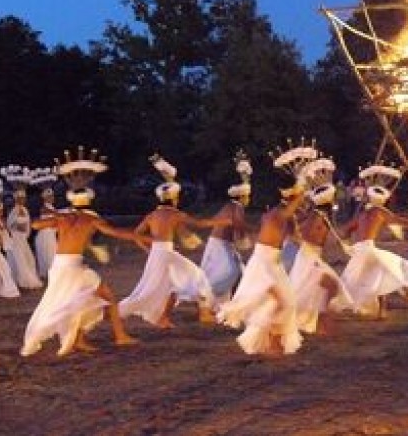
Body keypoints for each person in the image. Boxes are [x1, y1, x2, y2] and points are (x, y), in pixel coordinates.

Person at [21, 148, 150, 357]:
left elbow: (35, 225)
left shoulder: (64, 218)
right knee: (104, 298)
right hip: (73, 268)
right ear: (89, 200)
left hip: (60, 266)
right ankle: (119, 336)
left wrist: (56, 217)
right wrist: (141, 237)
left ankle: (81, 339)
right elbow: (116, 232)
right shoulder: (90, 219)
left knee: (77, 302)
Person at [119, 154, 227, 328]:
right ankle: (204, 313)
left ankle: (164, 318)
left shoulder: (152, 215)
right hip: (166, 253)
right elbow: (199, 223)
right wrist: (220, 222)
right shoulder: (175, 214)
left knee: (170, 286)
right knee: (197, 276)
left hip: (157, 254)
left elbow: (136, 234)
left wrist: (148, 250)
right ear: (174, 198)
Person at [217, 170, 306, 356]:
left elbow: (295, 236)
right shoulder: (277, 213)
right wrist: (302, 190)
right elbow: (291, 209)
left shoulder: (283, 214)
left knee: (284, 302)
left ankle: (272, 342)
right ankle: (273, 344)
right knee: (284, 302)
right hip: (264, 262)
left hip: (274, 262)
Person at [338, 164, 408, 320]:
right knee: (398, 268)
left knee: (383, 273)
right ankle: (400, 301)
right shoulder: (380, 212)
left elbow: (345, 231)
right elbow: (403, 221)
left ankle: (405, 300)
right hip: (369, 250)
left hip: (360, 251)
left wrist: (348, 244)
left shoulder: (362, 214)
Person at [288, 158, 355, 336]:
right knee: (331, 286)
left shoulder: (320, 215)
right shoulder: (317, 216)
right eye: (333, 197)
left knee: (324, 288)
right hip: (309, 257)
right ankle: (323, 323)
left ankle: (321, 322)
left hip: (312, 256)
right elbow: (305, 234)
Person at [199, 151, 253, 308]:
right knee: (230, 272)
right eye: (247, 196)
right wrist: (246, 239)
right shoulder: (237, 207)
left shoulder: (230, 206)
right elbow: (238, 225)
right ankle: (207, 299)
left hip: (220, 244)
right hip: (220, 246)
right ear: (242, 197)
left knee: (239, 272)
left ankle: (232, 304)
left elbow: (236, 224)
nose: (249, 199)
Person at [5, 187, 44, 289]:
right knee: (20, 259)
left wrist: (26, 232)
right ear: (16, 199)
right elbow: (9, 225)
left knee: (29, 258)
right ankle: (22, 279)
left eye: (24, 198)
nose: (23, 200)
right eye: (20, 198)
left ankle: (25, 278)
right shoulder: (14, 210)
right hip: (16, 237)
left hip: (23, 238)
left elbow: (28, 223)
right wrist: (17, 227)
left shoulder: (25, 210)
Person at [34, 185, 59, 280]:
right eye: (50, 197)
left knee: (52, 252)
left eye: (52, 196)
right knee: (48, 253)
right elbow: (53, 215)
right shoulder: (44, 208)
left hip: (50, 234)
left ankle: (52, 273)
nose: (53, 198)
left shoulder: (52, 207)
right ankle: (49, 273)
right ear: (45, 198)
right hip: (45, 234)